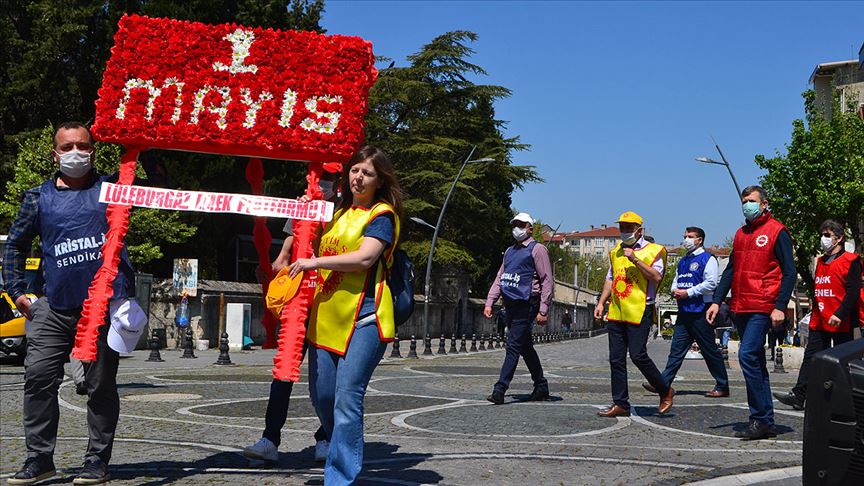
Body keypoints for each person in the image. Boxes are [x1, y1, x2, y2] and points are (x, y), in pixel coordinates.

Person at [3, 122, 138, 485]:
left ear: (93, 150)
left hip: (101, 310)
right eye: (67, 147)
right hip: (53, 308)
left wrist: (141, 141)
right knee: (38, 378)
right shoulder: (37, 197)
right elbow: (15, 245)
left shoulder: (114, 190)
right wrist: (17, 290)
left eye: (82, 145)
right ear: (55, 154)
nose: (75, 152)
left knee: (100, 386)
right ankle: (39, 458)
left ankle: (97, 461)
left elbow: (156, 183)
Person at [287, 145, 401, 484]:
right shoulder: (335, 214)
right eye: (355, 170)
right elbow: (306, 239)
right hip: (327, 317)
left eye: (367, 173)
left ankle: (340, 477)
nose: (359, 177)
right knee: (323, 397)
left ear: (380, 180)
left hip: (366, 318)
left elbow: (365, 258)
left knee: (348, 397)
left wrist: (315, 262)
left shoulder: (381, 216)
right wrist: (304, 212)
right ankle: (344, 446)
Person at [243, 162, 342, 464]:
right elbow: (284, 255)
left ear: (339, 180)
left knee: (327, 379)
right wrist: (272, 270)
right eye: (319, 175)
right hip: (299, 303)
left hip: (329, 301)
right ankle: (270, 438)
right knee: (283, 373)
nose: (322, 182)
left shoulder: (347, 212)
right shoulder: (301, 207)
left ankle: (326, 436)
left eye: (329, 177)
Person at [707, 185, 797, 440]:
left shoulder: (777, 231)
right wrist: (716, 301)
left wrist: (780, 305)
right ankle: (766, 419)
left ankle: (759, 418)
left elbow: (789, 271)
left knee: (746, 355)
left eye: (751, 201)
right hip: (741, 304)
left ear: (764, 204)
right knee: (756, 360)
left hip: (763, 304)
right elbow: (730, 271)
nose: (747, 205)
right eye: (744, 201)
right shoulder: (741, 234)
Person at [773, 220, 862, 410]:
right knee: (811, 357)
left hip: (842, 320)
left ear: (839, 238)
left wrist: (840, 313)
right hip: (820, 318)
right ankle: (799, 395)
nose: (824, 238)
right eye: (822, 234)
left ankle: (848, 401)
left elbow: (853, 292)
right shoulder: (820, 262)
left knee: (845, 362)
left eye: (828, 235)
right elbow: (818, 290)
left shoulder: (851, 261)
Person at [594, 211, 673, 417]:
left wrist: (636, 259)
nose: (624, 231)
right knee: (616, 359)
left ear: (639, 230)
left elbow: (656, 277)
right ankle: (620, 403)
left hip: (640, 308)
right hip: (617, 309)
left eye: (628, 228)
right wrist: (601, 302)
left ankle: (665, 390)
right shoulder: (616, 252)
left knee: (638, 355)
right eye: (622, 227)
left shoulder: (655, 251)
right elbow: (610, 279)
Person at [644, 227, 729, 398]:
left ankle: (722, 385)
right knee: (676, 350)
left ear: (700, 240)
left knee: (709, 350)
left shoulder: (708, 259)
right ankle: (663, 384)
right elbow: (676, 280)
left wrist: (688, 293)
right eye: (685, 236)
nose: (686, 239)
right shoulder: (683, 260)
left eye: (690, 236)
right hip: (684, 311)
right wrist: (674, 290)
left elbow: (711, 283)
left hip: (701, 310)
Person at [484, 212, 553, 405]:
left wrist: (543, 309)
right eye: (515, 224)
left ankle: (500, 389)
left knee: (513, 345)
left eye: (521, 225)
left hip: (527, 303)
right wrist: (490, 301)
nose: (517, 228)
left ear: (530, 228)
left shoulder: (538, 250)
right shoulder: (509, 251)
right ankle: (541, 385)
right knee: (525, 347)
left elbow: (547, 280)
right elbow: (501, 277)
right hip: (510, 303)